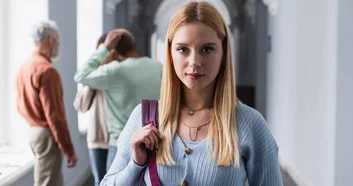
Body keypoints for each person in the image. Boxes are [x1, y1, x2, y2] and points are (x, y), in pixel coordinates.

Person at [101, 2, 283, 185]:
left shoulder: (249, 124)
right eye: (183, 49)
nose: (194, 61)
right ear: (170, 53)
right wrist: (136, 164)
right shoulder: (144, 118)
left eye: (207, 49)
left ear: (223, 53)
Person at [74, 29, 163, 168]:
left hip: (120, 146)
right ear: (133, 45)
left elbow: (80, 76)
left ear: (113, 52)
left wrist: (105, 48)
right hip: (154, 143)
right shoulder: (158, 67)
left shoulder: (113, 71)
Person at [16, 20, 77, 186]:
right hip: (47, 134)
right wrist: (69, 149)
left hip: (34, 131)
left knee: (52, 181)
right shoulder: (47, 71)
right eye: (57, 41)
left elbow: (20, 105)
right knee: (47, 183)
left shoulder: (25, 66)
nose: (58, 46)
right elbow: (55, 116)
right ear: (50, 40)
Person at [73, 33, 113, 186]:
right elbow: (81, 106)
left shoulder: (119, 73)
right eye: (102, 51)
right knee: (100, 181)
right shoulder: (93, 77)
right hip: (98, 140)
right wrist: (93, 80)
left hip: (118, 139)